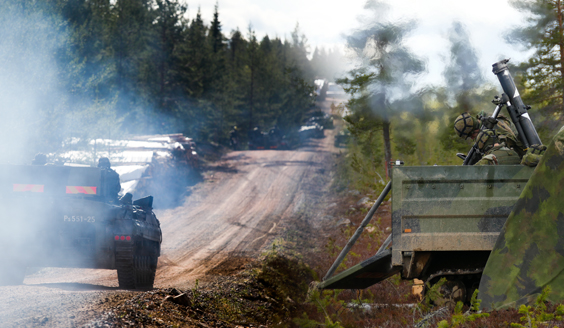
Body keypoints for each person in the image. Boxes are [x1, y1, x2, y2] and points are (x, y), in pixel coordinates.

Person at [454, 112, 523, 165]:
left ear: (475, 128)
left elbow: (512, 138)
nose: (472, 138)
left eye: (471, 135)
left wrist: (497, 143)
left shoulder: (495, 122)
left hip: (520, 156)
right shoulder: (482, 129)